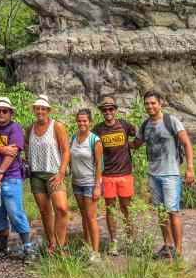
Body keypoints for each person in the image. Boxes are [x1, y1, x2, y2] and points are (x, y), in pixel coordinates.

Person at [132, 90, 195, 259]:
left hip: (171, 175)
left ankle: (178, 251)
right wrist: (119, 135)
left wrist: (190, 168)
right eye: (147, 103)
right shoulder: (145, 125)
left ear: (160, 104)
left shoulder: (171, 121)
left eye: (153, 103)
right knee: (161, 212)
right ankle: (167, 246)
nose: (150, 106)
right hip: (153, 175)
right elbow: (135, 144)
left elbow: (187, 143)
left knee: (172, 211)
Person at [0, 96, 36, 261]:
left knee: (15, 212)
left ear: (10, 113)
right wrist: (3, 148)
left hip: (10, 178)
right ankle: (3, 246)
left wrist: (0, 173)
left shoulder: (15, 129)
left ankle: (28, 248)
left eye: (4, 111)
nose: (1, 113)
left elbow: (12, 154)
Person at [94, 96, 137, 256]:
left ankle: (131, 240)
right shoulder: (97, 129)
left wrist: (132, 145)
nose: (108, 112)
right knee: (110, 210)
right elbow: (91, 147)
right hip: (108, 175)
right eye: (105, 110)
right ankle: (114, 243)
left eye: (111, 109)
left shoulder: (124, 125)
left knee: (126, 208)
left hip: (125, 174)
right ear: (101, 112)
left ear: (115, 110)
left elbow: (139, 135)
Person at [26, 95, 70, 252]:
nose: (40, 111)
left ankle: (61, 244)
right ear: (34, 110)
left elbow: (65, 151)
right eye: (37, 108)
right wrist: (27, 163)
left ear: (48, 110)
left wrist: (61, 172)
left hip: (54, 173)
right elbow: (27, 146)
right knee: (45, 211)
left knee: (62, 208)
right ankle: (51, 244)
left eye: (43, 108)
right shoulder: (30, 128)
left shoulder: (57, 126)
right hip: (36, 175)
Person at [70, 109, 103, 262]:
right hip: (76, 182)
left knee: (91, 217)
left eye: (85, 121)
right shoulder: (73, 138)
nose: (82, 123)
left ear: (90, 122)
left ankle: (96, 252)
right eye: (80, 121)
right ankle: (87, 245)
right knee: (83, 216)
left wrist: (97, 186)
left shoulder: (94, 140)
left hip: (90, 183)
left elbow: (98, 165)